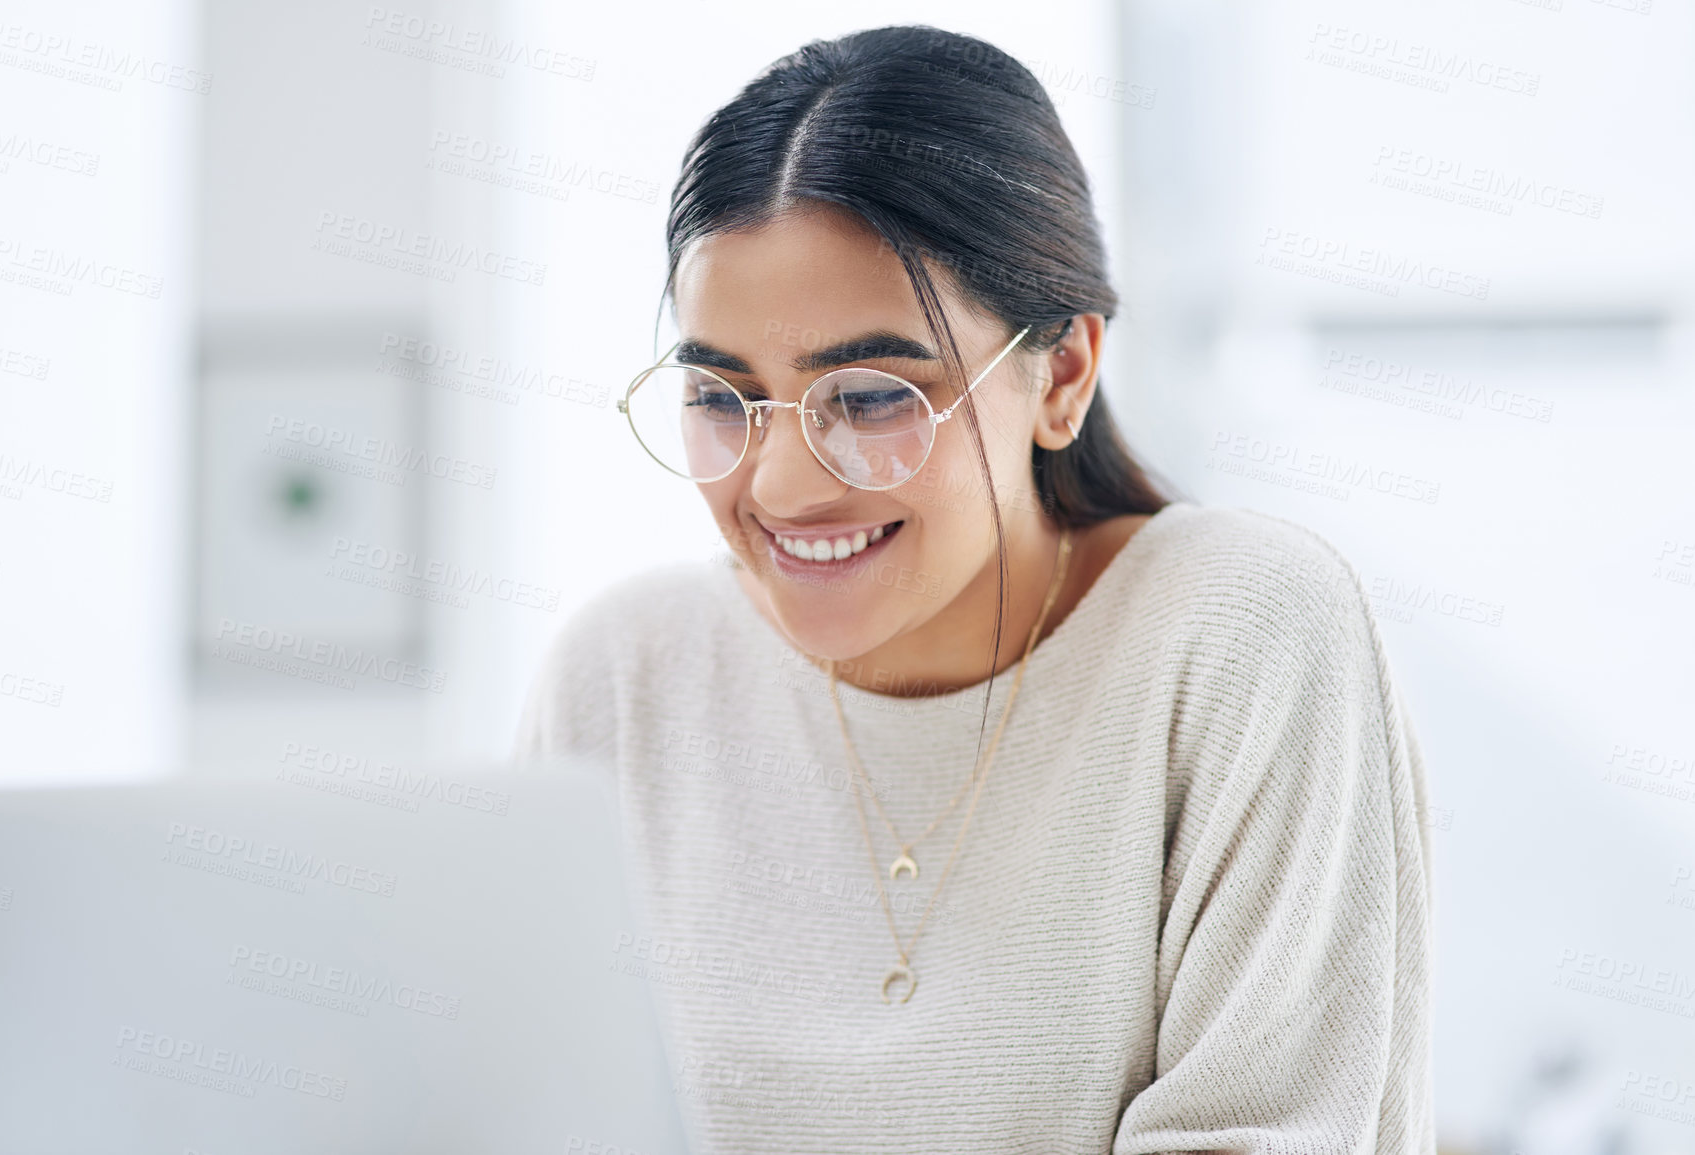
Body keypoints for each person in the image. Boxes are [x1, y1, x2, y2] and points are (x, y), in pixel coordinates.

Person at [516, 24, 1434, 1153]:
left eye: (870, 397)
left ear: (1063, 375)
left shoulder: (1238, 628)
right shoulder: (625, 675)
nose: (784, 485)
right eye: (724, 398)